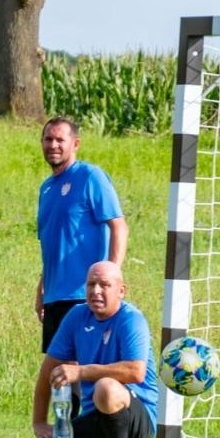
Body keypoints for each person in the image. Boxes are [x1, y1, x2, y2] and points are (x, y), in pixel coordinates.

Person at [25, 260, 158, 438]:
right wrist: (39, 422)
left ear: (121, 291)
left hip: (138, 415)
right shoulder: (76, 316)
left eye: (104, 285)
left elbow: (136, 371)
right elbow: (49, 370)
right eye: (91, 284)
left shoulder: (131, 320)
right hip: (95, 415)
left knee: (106, 387)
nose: (96, 291)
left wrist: (82, 372)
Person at [36, 117, 128, 353]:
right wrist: (42, 288)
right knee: (60, 376)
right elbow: (54, 245)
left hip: (83, 294)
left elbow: (119, 227)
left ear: (75, 144)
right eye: (48, 139)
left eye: (60, 140)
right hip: (55, 297)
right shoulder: (46, 189)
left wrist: (111, 276)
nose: (53, 145)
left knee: (82, 370)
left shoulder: (90, 176)